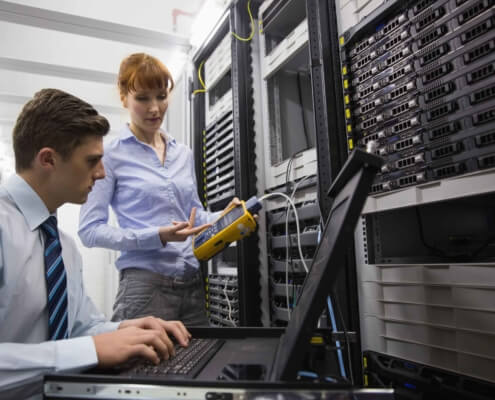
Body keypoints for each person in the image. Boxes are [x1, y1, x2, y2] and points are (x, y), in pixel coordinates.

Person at [0, 88, 191, 399]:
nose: (102, 174)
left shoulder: (62, 246)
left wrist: (124, 330)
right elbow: (82, 346)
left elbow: (80, 329)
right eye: (92, 161)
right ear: (48, 159)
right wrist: (89, 350)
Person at [78, 53, 238, 326]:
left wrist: (228, 216)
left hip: (192, 285)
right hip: (144, 289)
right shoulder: (111, 155)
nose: (155, 108)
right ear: (124, 98)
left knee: (198, 367)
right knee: (142, 369)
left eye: (161, 96)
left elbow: (195, 218)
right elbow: (89, 230)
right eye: (143, 98)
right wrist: (157, 236)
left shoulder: (183, 154)